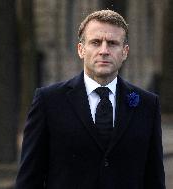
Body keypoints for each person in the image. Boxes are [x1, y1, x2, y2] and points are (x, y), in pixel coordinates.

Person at [15, 10, 165, 189]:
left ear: (125, 52)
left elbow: (154, 178)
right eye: (95, 42)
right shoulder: (49, 102)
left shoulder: (147, 104)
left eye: (112, 43)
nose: (104, 51)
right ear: (81, 49)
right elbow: (29, 179)